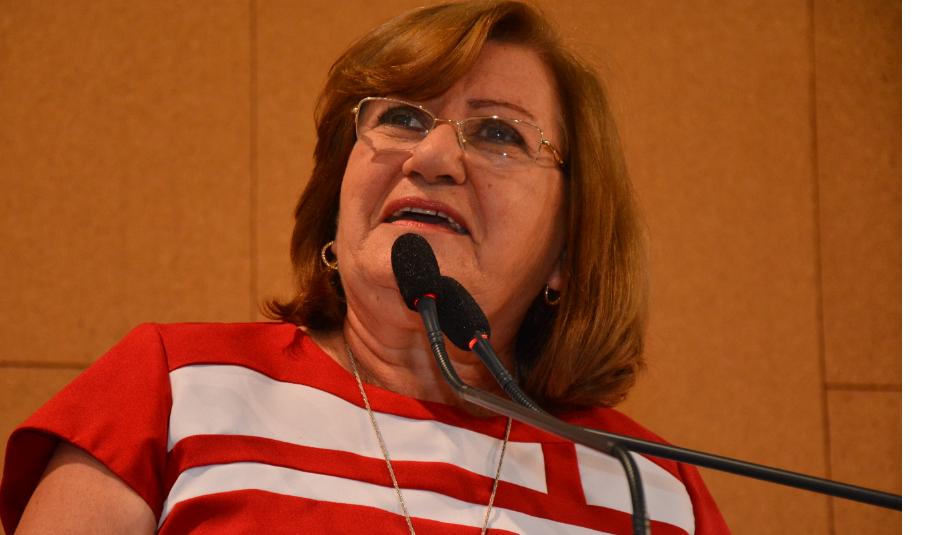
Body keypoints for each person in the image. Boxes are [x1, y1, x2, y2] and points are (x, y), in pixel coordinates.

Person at [0, 1, 728, 533]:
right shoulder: (174, 391)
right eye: (401, 118)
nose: (432, 156)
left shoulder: (648, 486)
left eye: (498, 132)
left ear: (567, 251)